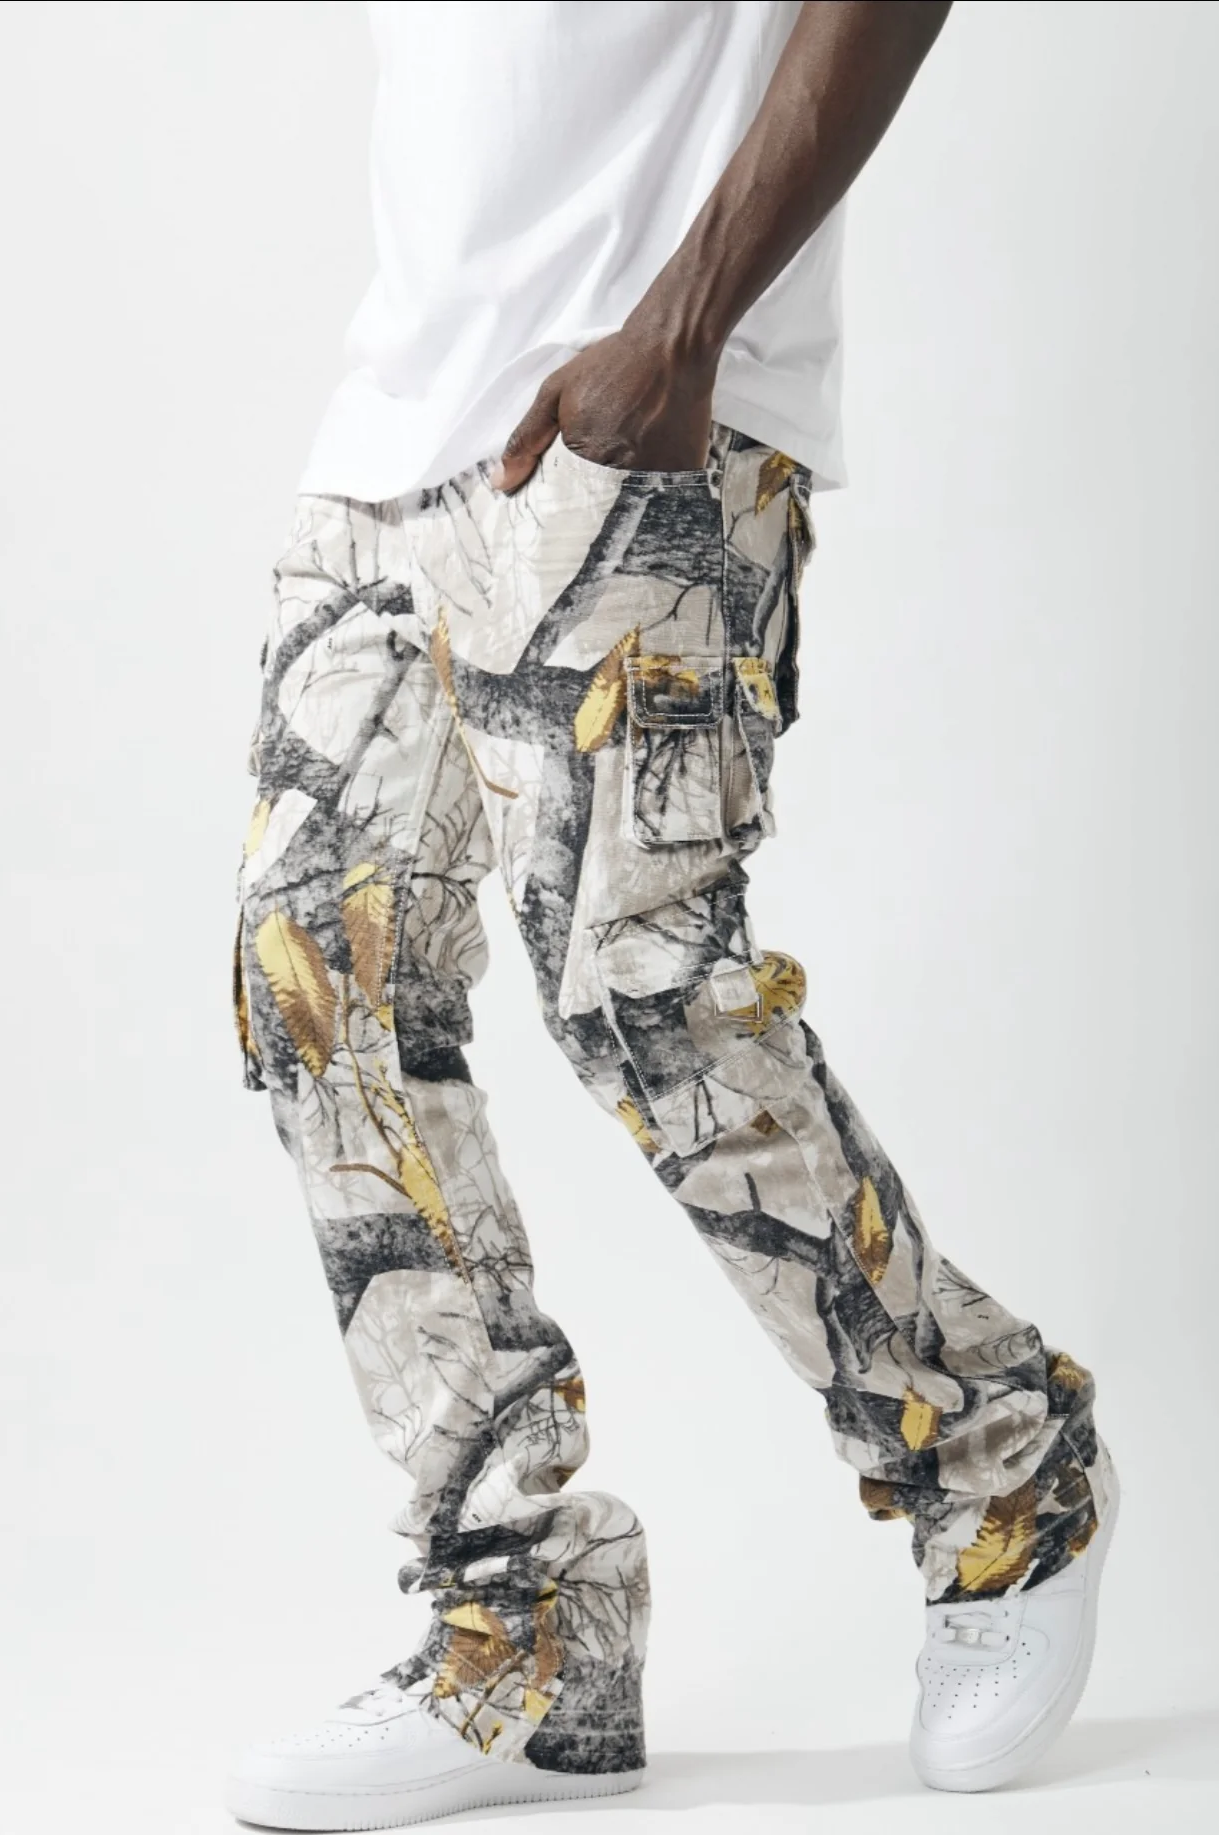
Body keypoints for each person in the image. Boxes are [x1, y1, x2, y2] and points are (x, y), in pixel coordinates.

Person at [225, 3, 1116, 1827]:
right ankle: (525, 1620)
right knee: (316, 980)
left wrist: (686, 326)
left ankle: (1004, 1467)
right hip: (398, 426)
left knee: (643, 994)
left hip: (642, 401)